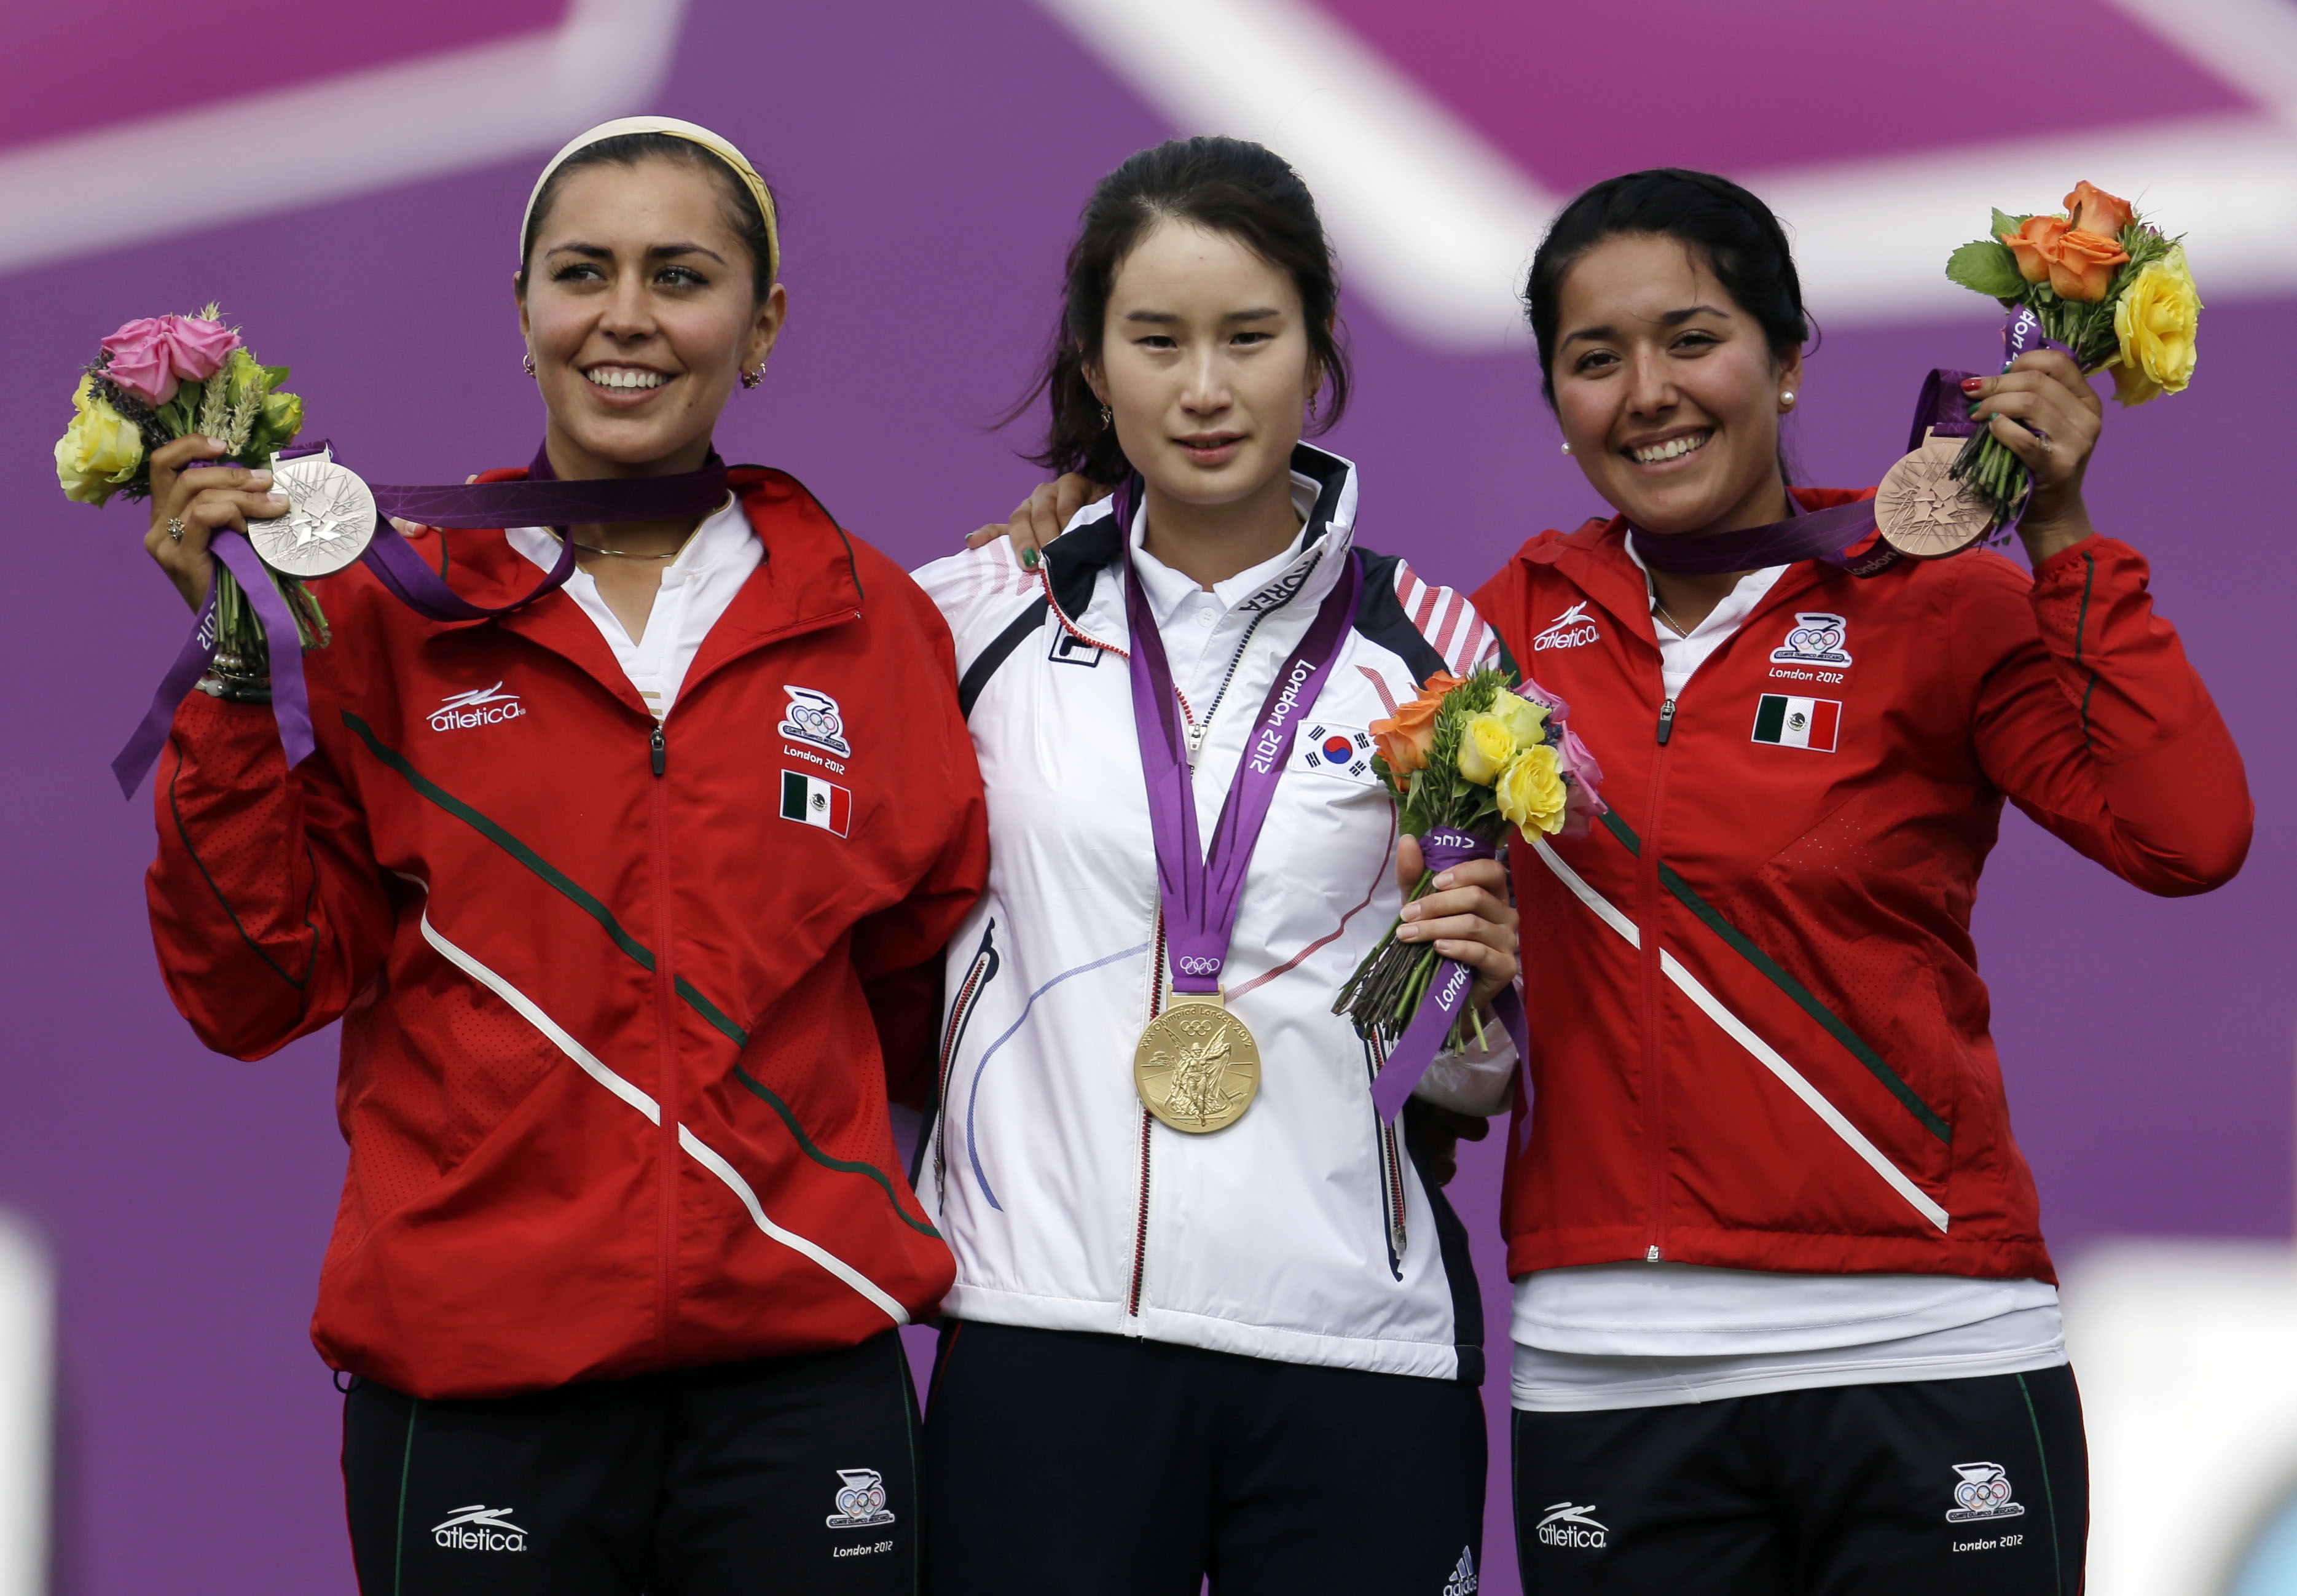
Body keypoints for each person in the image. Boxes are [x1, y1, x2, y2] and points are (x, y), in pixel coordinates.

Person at [986, 165, 2252, 1594]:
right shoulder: (1502, 629)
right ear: (1559, 403)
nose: (1649, 391)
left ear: (1784, 362)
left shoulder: (1936, 600)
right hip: (1613, 1369)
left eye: (1694, 340)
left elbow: (2183, 835)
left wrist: (2068, 537)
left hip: (1922, 1339)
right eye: (1595, 361)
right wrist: (1077, 533)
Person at [137, 117, 986, 1595]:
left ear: (763, 323)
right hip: (478, 1377)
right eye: (583, 272)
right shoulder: (388, 607)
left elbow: (918, 989)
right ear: (523, 311)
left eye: (683, 274)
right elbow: (255, 987)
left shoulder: (871, 626)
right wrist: (224, 660)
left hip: (797, 1385)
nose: (628, 318)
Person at [910, 135, 1523, 1596]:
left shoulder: (1441, 656)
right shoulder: (962, 621)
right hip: (1041, 1333)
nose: (1204, 388)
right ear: (1093, 361)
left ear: (1315, 352)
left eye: (1249, 338)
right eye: (1158, 341)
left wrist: (1478, 1003)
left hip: (1347, 1345)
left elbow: (1459, 1081)